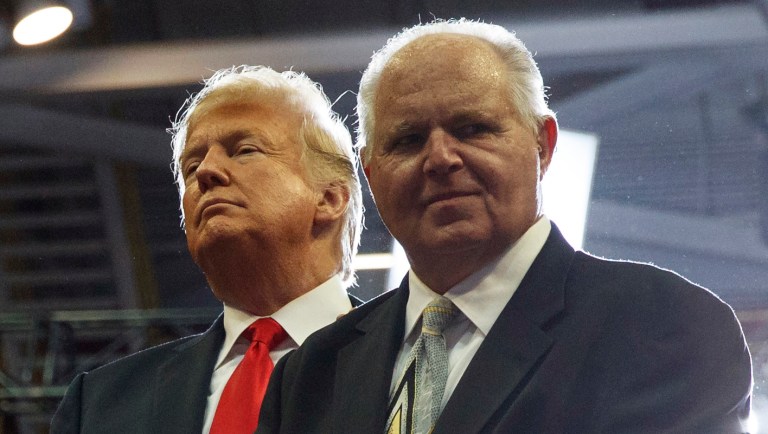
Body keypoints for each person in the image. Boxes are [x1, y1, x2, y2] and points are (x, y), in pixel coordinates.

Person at [257, 19, 753, 433]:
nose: (440, 158)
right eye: (407, 140)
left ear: (543, 144)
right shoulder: (310, 375)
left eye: (473, 129)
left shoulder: (662, 326)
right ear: (370, 171)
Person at [50, 65, 363, 434]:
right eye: (192, 165)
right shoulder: (100, 403)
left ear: (329, 198)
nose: (206, 172)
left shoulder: (413, 357)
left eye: (245, 150)